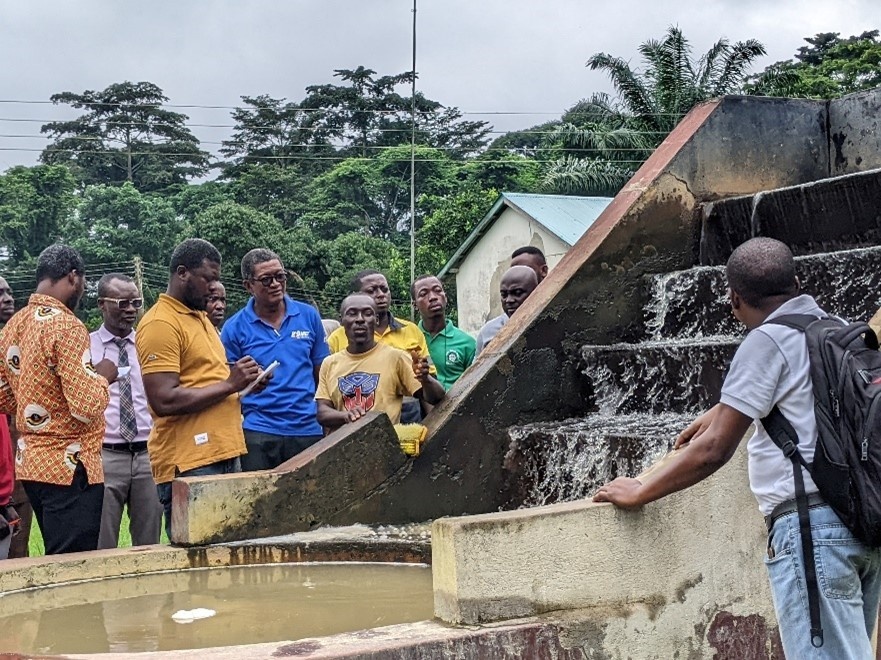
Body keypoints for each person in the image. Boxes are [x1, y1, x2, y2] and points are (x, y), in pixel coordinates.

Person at [593, 237, 881, 659]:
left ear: (734, 299)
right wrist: (724, 407)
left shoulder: (766, 341)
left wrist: (640, 488)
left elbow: (714, 449)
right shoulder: (836, 328)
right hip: (863, 524)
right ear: (796, 283)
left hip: (812, 530)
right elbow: (806, 396)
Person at [136, 238, 263, 538]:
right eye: (208, 278)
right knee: (199, 562)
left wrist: (242, 387)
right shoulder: (160, 323)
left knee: (228, 556)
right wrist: (230, 382)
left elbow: (208, 384)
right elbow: (163, 399)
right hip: (190, 464)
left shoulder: (201, 319)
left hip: (224, 452)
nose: (212, 287)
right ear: (182, 273)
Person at [0, 245, 116, 554]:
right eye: (84, 283)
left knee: (56, 557)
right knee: (71, 566)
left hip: (32, 465)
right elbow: (86, 406)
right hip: (69, 467)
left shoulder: (14, 325)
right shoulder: (66, 325)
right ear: (73, 277)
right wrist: (103, 376)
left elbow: (6, 399)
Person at [221, 249, 329, 471]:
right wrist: (250, 382)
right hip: (259, 430)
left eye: (280, 276)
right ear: (248, 286)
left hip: (308, 428)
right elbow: (229, 384)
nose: (276, 284)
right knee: (262, 501)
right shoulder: (234, 328)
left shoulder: (308, 315)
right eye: (266, 279)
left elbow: (323, 373)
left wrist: (325, 419)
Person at [90, 274, 163, 549]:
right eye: (122, 303)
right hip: (106, 455)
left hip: (148, 455)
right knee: (102, 541)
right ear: (101, 304)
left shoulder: (149, 345)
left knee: (149, 543)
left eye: (136, 302)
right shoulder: (86, 346)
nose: (131, 309)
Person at [316, 294, 445, 430]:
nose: (360, 319)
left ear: (376, 320)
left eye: (367, 314)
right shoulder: (329, 363)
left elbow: (436, 397)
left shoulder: (396, 357)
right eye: (352, 314)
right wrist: (346, 416)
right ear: (342, 321)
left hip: (385, 447)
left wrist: (425, 379)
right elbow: (322, 412)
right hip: (342, 448)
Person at [326, 270, 433, 423]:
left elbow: (428, 383)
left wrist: (431, 423)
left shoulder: (411, 331)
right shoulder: (337, 338)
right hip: (355, 419)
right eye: (372, 291)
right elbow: (327, 391)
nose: (381, 294)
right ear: (356, 296)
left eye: (384, 289)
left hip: (409, 418)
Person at [0, 275, 28, 560]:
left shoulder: (16, 348)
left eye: (9, 292)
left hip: (17, 479)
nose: (8, 298)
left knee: (18, 560)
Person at [411, 275, 475, 390]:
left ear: (445, 297)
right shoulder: (410, 340)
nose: (432, 297)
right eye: (423, 294)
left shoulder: (467, 343)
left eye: (437, 290)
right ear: (414, 304)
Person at [476, 265, 539, 353]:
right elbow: (478, 365)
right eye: (504, 295)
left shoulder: (550, 323)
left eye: (517, 293)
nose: (509, 300)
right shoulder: (488, 331)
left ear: (535, 292)